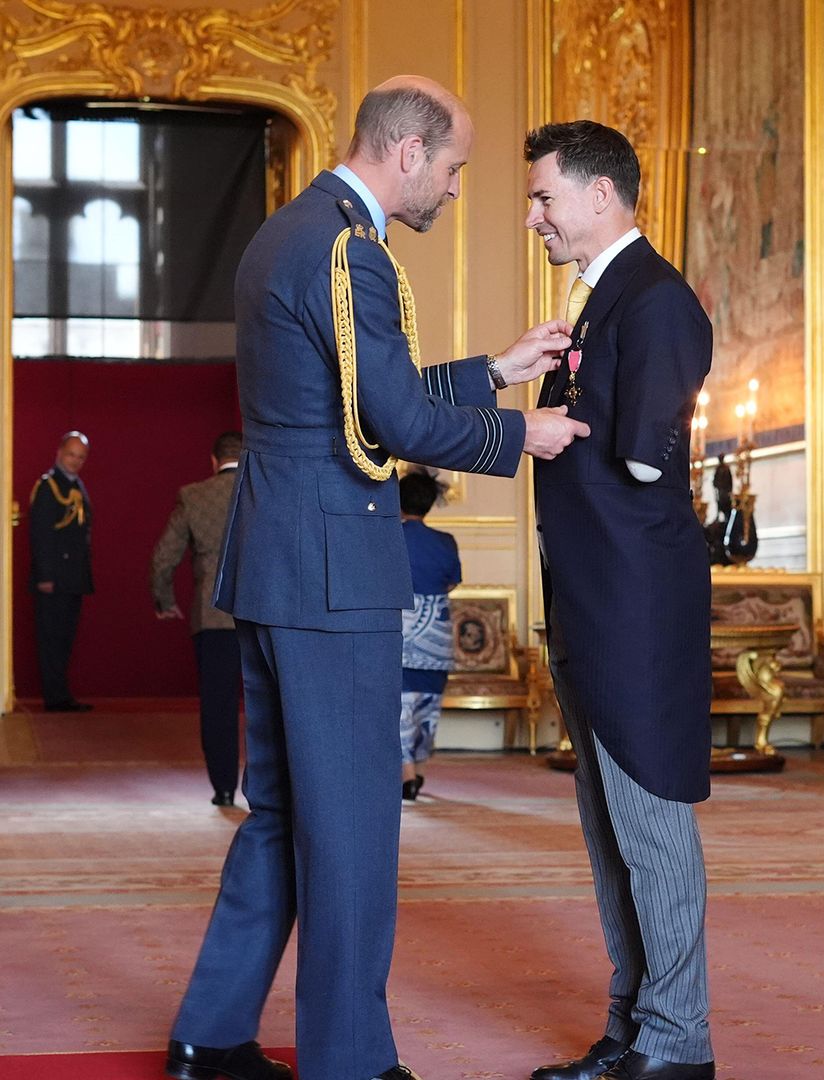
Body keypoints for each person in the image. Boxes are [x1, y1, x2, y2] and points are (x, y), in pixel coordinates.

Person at [165, 76, 588, 1080]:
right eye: (451, 169)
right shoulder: (354, 253)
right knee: (350, 828)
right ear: (407, 154)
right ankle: (349, 1062)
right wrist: (520, 430)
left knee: (280, 817)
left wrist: (491, 368)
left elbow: (348, 401)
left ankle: (209, 1035)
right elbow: (391, 424)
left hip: (272, 563)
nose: (452, 189)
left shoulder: (287, 233)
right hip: (333, 576)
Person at [520, 121, 715, 1080]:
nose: (534, 217)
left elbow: (641, 452)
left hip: (634, 600)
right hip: (593, 593)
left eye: (544, 197)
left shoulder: (657, 299)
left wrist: (547, 427)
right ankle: (634, 1024)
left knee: (649, 819)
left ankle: (680, 1043)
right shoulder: (601, 301)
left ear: (602, 195)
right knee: (608, 826)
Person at [151, 430, 245, 806]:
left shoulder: (193, 496)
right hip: (269, 614)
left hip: (214, 616)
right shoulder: (269, 490)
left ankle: (223, 788)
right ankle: (273, 792)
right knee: (271, 704)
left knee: (218, 705)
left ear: (213, 459)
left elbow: (162, 558)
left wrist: (163, 600)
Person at [398, 469, 461, 801]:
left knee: (398, 707)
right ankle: (418, 771)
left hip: (399, 636)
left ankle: (406, 775)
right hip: (436, 638)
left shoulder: (389, 536)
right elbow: (451, 582)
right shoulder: (445, 542)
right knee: (428, 706)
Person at [28, 431, 93, 712]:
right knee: (52, 638)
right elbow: (41, 535)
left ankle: (61, 693)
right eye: (71, 454)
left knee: (64, 638)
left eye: (80, 457)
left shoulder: (76, 485)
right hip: (54, 578)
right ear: (59, 453)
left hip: (72, 577)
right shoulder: (48, 486)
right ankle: (55, 697)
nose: (75, 461)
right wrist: (45, 576)